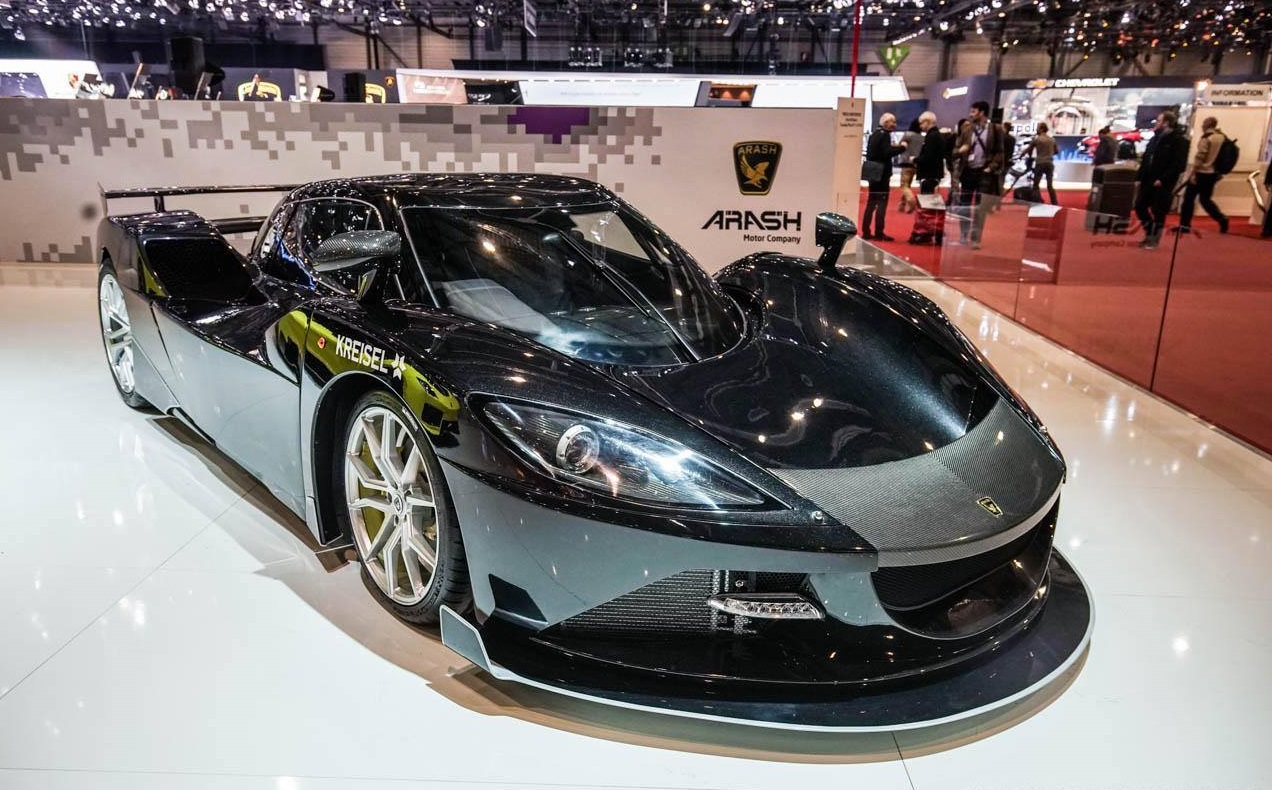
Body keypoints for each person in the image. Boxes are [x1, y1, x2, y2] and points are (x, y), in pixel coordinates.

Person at [953, 101, 1006, 249]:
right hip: (967, 171)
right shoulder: (967, 129)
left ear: (982, 113)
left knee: (980, 208)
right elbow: (955, 149)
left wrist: (991, 167)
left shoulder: (995, 129)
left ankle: (975, 239)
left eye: (974, 111)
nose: (971, 114)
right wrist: (960, 151)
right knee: (964, 205)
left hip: (984, 173)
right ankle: (964, 234)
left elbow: (1000, 152)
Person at [1134, 111, 1189, 250]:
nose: (1156, 123)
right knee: (1140, 206)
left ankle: (1154, 239)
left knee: (1159, 211)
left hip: (1163, 182)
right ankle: (1150, 232)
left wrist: (1163, 179)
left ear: (1166, 123)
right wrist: (1139, 177)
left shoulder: (1178, 140)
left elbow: (1179, 164)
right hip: (1148, 179)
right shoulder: (1155, 138)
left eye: (1159, 121)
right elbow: (1146, 159)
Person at [1178, 116, 1230, 234]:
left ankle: (1185, 225)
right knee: (1205, 200)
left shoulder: (1206, 138)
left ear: (1207, 125)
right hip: (1213, 174)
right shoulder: (1222, 137)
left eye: (1203, 124)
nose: (1202, 126)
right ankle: (1221, 218)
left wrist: (1193, 173)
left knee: (1188, 199)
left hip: (1201, 172)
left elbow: (1200, 156)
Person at [861, 113, 907, 241]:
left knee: (871, 203)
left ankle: (866, 231)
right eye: (892, 122)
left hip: (872, 172)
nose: (894, 125)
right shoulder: (885, 135)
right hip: (882, 174)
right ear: (886, 123)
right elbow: (887, 153)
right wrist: (902, 148)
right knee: (881, 203)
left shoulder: (874, 134)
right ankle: (879, 232)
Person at [1022, 121, 1059, 204]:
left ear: (1042, 129)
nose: (1036, 130)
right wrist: (1049, 153)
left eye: (1038, 128)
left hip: (1040, 163)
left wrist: (1022, 156)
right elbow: (1057, 151)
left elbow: (1028, 149)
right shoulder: (1052, 139)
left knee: (1036, 184)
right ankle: (1054, 202)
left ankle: (1037, 200)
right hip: (1050, 163)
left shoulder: (1037, 139)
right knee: (1050, 185)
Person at [896, 118, 924, 213]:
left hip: (906, 163)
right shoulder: (922, 137)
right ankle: (902, 205)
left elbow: (901, 145)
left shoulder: (907, 135)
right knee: (908, 185)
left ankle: (911, 201)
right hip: (915, 164)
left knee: (904, 186)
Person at [915, 111, 945, 196]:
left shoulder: (932, 136)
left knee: (927, 198)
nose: (920, 126)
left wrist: (915, 160)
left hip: (929, 174)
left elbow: (928, 156)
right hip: (933, 174)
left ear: (927, 122)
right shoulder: (935, 135)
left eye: (921, 123)